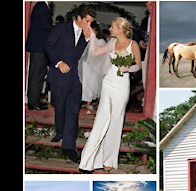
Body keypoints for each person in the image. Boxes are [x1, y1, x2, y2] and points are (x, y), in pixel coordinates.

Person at [79, 17, 141, 172]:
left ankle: (108, 160)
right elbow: (94, 53)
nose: (110, 29)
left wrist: (129, 69)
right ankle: (87, 161)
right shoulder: (111, 43)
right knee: (102, 118)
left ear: (120, 28)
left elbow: (138, 66)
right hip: (108, 82)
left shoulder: (133, 45)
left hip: (122, 85)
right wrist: (92, 37)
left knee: (116, 121)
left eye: (113, 26)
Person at [45, 5, 96, 163]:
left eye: (91, 22)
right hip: (59, 75)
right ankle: (60, 131)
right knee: (60, 106)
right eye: (87, 21)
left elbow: (77, 55)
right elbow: (48, 46)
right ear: (79, 18)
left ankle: (68, 146)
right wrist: (58, 62)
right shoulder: (61, 28)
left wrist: (87, 39)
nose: (89, 25)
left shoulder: (85, 34)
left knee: (73, 110)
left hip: (75, 78)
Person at [26, 1, 53, 110]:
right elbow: (44, 25)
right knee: (36, 76)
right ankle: (33, 102)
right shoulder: (42, 6)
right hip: (39, 47)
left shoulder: (41, 6)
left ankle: (33, 100)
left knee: (36, 75)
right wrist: (57, 28)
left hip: (38, 47)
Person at [80, 21, 106, 115]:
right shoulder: (86, 39)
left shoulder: (101, 41)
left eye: (93, 31)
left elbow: (101, 55)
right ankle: (82, 100)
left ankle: (88, 102)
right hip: (85, 64)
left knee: (92, 83)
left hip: (94, 66)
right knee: (84, 82)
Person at [138, 1, 152, 89]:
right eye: (147, 6)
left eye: (150, 5)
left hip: (154, 52)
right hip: (145, 52)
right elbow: (140, 33)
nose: (148, 8)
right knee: (145, 77)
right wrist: (140, 41)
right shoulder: (144, 20)